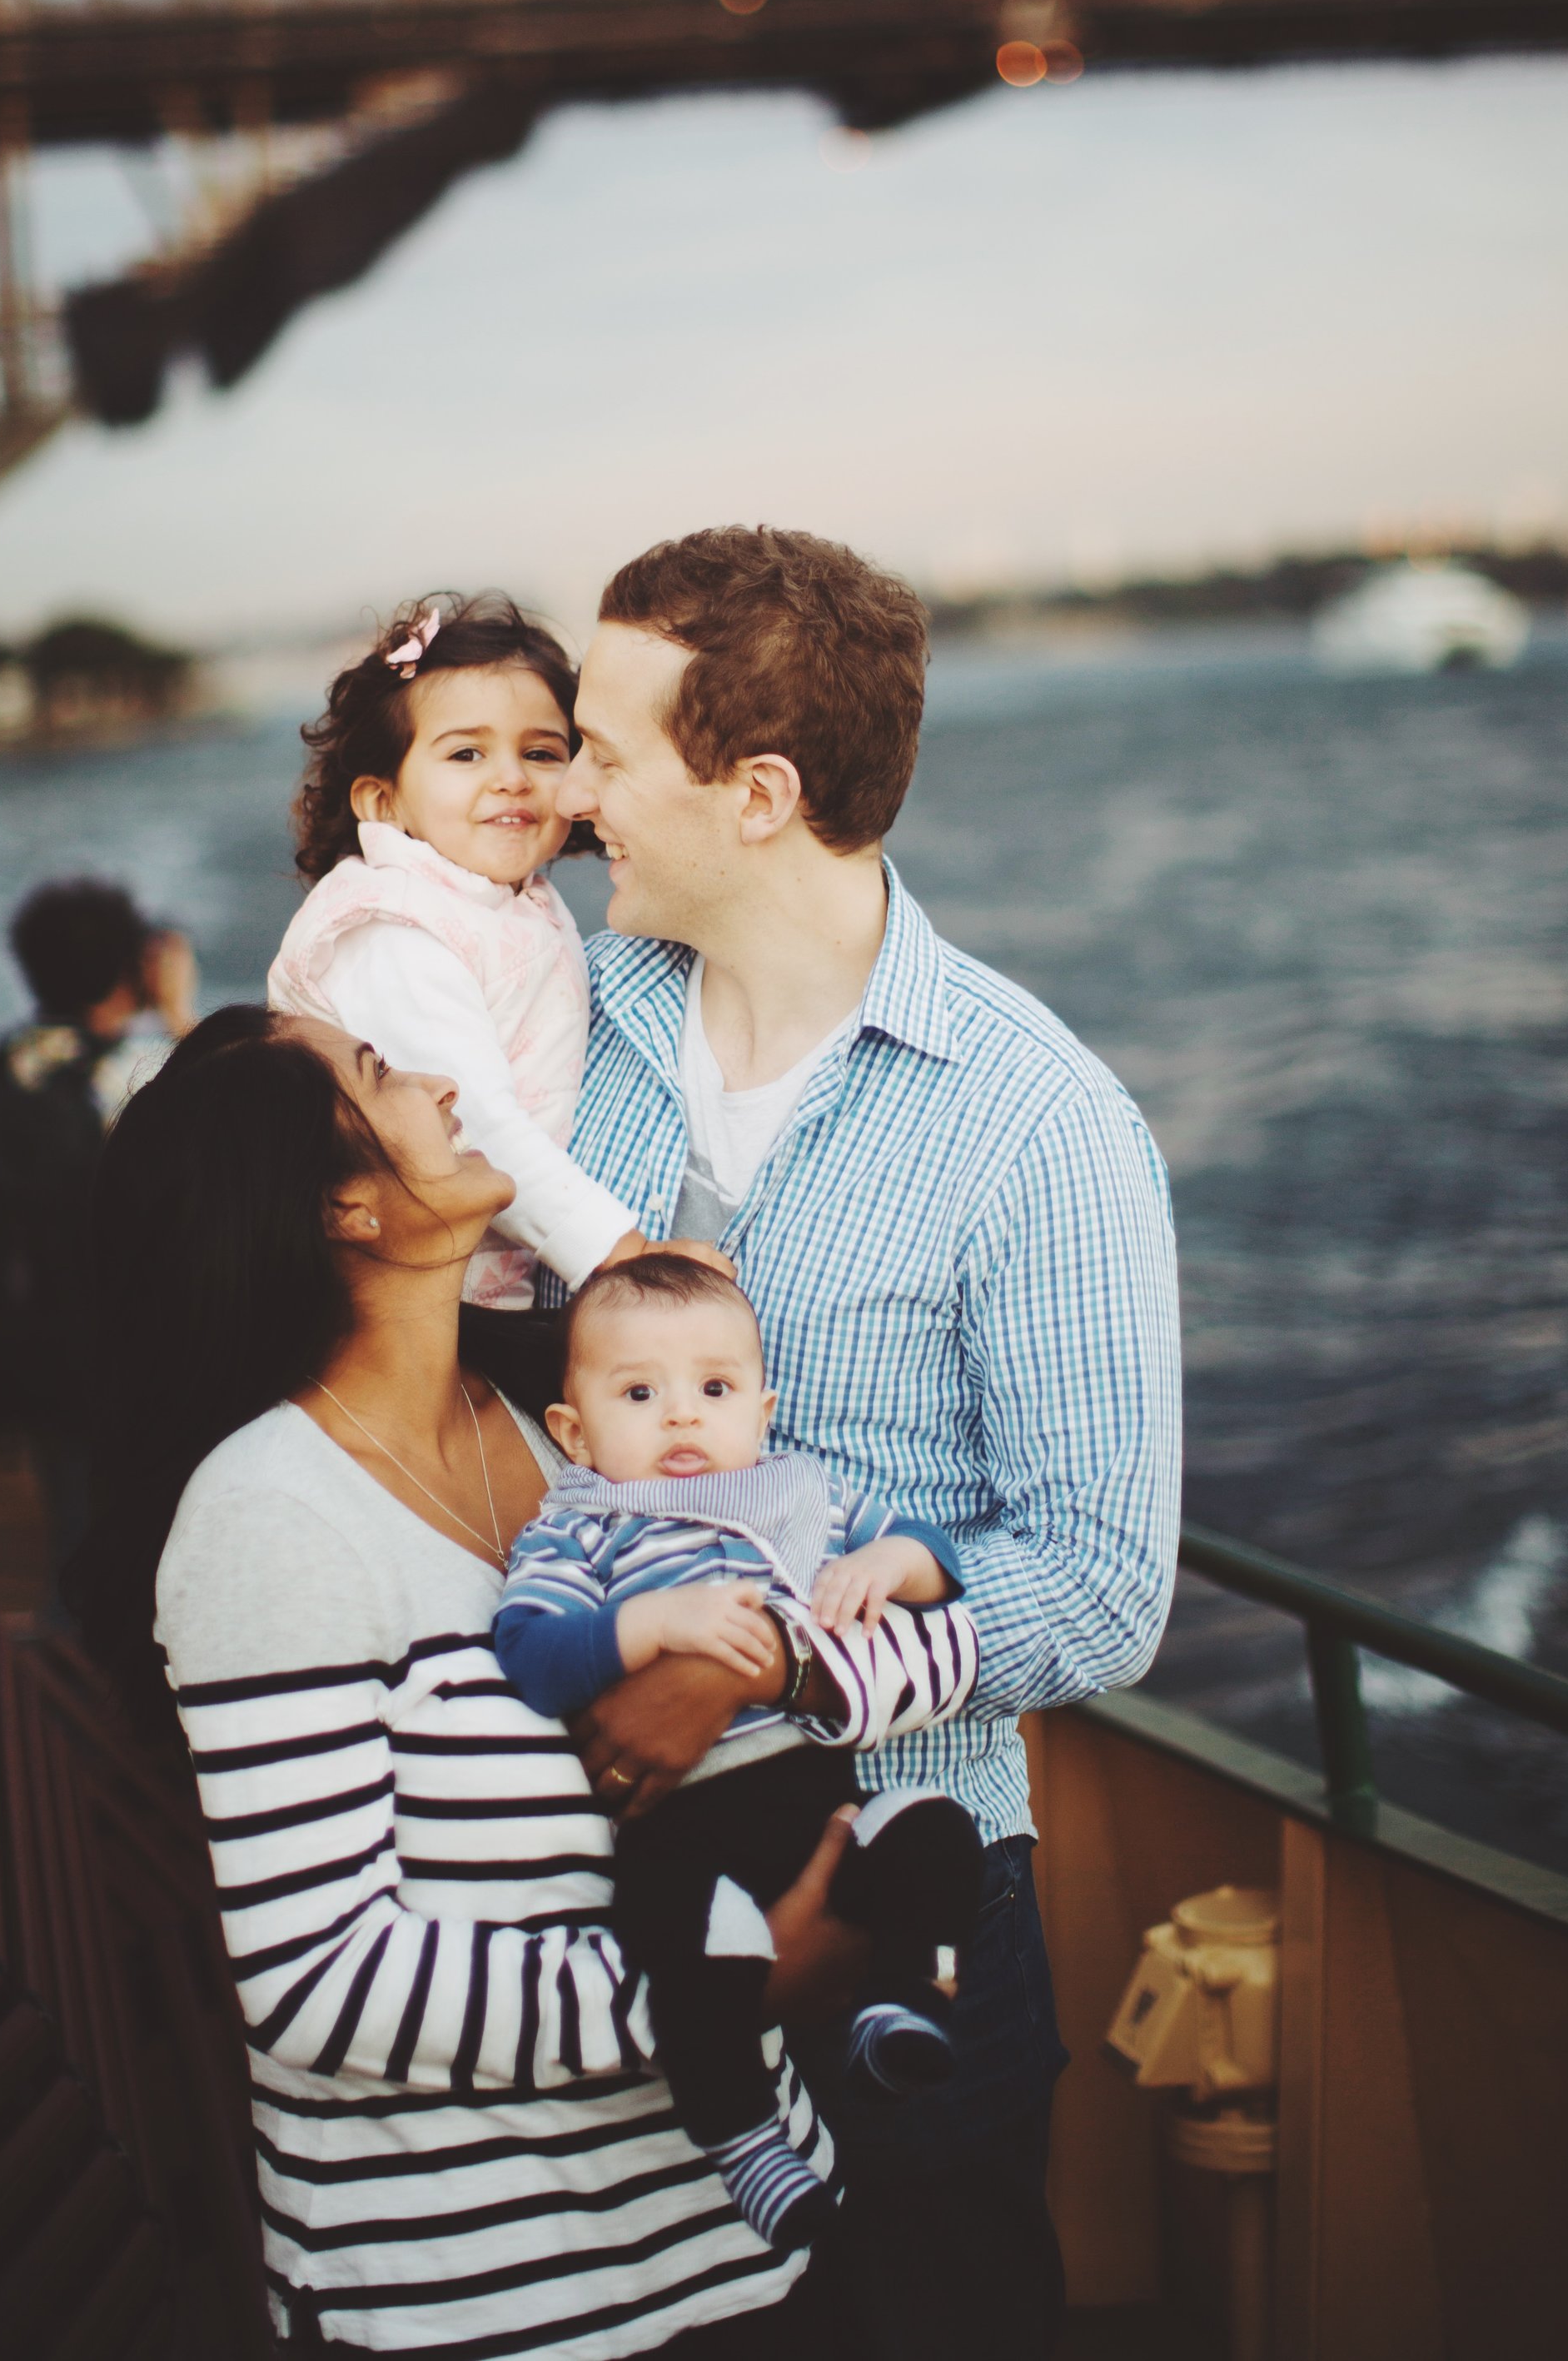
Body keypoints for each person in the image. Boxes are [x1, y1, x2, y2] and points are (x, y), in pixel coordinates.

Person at [70, 1005, 977, 2359]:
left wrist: (765, 1663)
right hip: (498, 2300)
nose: (442, 1081)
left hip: (749, 2250)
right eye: (380, 1074)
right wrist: (731, 1989)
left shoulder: (569, 1432)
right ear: (345, 1210)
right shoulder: (271, 1516)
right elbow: (320, 1981)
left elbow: (862, 1625)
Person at [546, 525, 1183, 2361]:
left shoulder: (1038, 1125)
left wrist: (791, 1678)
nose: (573, 798)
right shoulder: (576, 1021)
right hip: (578, 1881)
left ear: (755, 793)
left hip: (899, 1884)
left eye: (602, 752)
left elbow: (1103, 1578)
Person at [495, 1248, 983, 2262]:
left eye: (713, 1390)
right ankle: (741, 2136)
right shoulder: (580, 1528)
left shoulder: (801, 1496)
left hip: (816, 1796)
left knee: (935, 1831)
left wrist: (887, 1563)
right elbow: (533, 1658)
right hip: (684, 1825)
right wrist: (656, 1624)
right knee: (698, 1956)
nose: (681, 1416)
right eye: (640, 1392)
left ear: (762, 1413)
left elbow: (942, 1562)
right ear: (573, 1431)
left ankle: (903, 1995)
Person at [269, 591, 721, 1410]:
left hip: (485, 1287)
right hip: (393, 1304)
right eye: (465, 755)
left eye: (542, 753)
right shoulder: (389, 929)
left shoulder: (509, 901)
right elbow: (473, 1123)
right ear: (380, 800)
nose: (510, 777)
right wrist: (624, 1257)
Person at [0, 878, 196, 1606]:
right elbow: (244, 1131)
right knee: (156, 1522)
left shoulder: (5, 1062)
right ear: (132, 972)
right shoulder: (142, 1072)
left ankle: (71, 1645)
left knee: (72, 1513)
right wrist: (181, 1013)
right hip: (135, 1343)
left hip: (37, 1338)